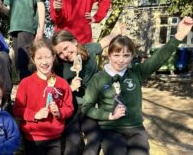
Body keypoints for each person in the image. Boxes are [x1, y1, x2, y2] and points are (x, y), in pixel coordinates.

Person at [82, 16, 193, 155]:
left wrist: (180, 35)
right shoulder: (99, 78)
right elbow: (86, 107)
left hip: (135, 130)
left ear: (132, 56)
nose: (121, 60)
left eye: (126, 55)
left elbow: (158, 58)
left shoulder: (136, 73)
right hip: (111, 130)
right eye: (116, 55)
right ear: (109, 55)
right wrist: (108, 115)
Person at [51, 26, 123, 155]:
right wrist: (70, 87)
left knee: (95, 138)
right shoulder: (60, 66)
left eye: (66, 48)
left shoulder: (89, 49)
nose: (65, 54)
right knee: (72, 141)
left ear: (74, 42)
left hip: (89, 106)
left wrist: (114, 33)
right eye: (60, 53)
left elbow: (103, 43)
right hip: (71, 107)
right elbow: (56, 90)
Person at [13, 39, 74, 155]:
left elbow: (69, 108)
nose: (44, 62)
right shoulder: (26, 83)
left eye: (48, 57)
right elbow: (17, 110)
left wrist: (59, 112)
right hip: (33, 138)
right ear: (33, 59)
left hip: (55, 137)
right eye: (39, 58)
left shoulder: (62, 83)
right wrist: (35, 114)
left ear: (54, 57)